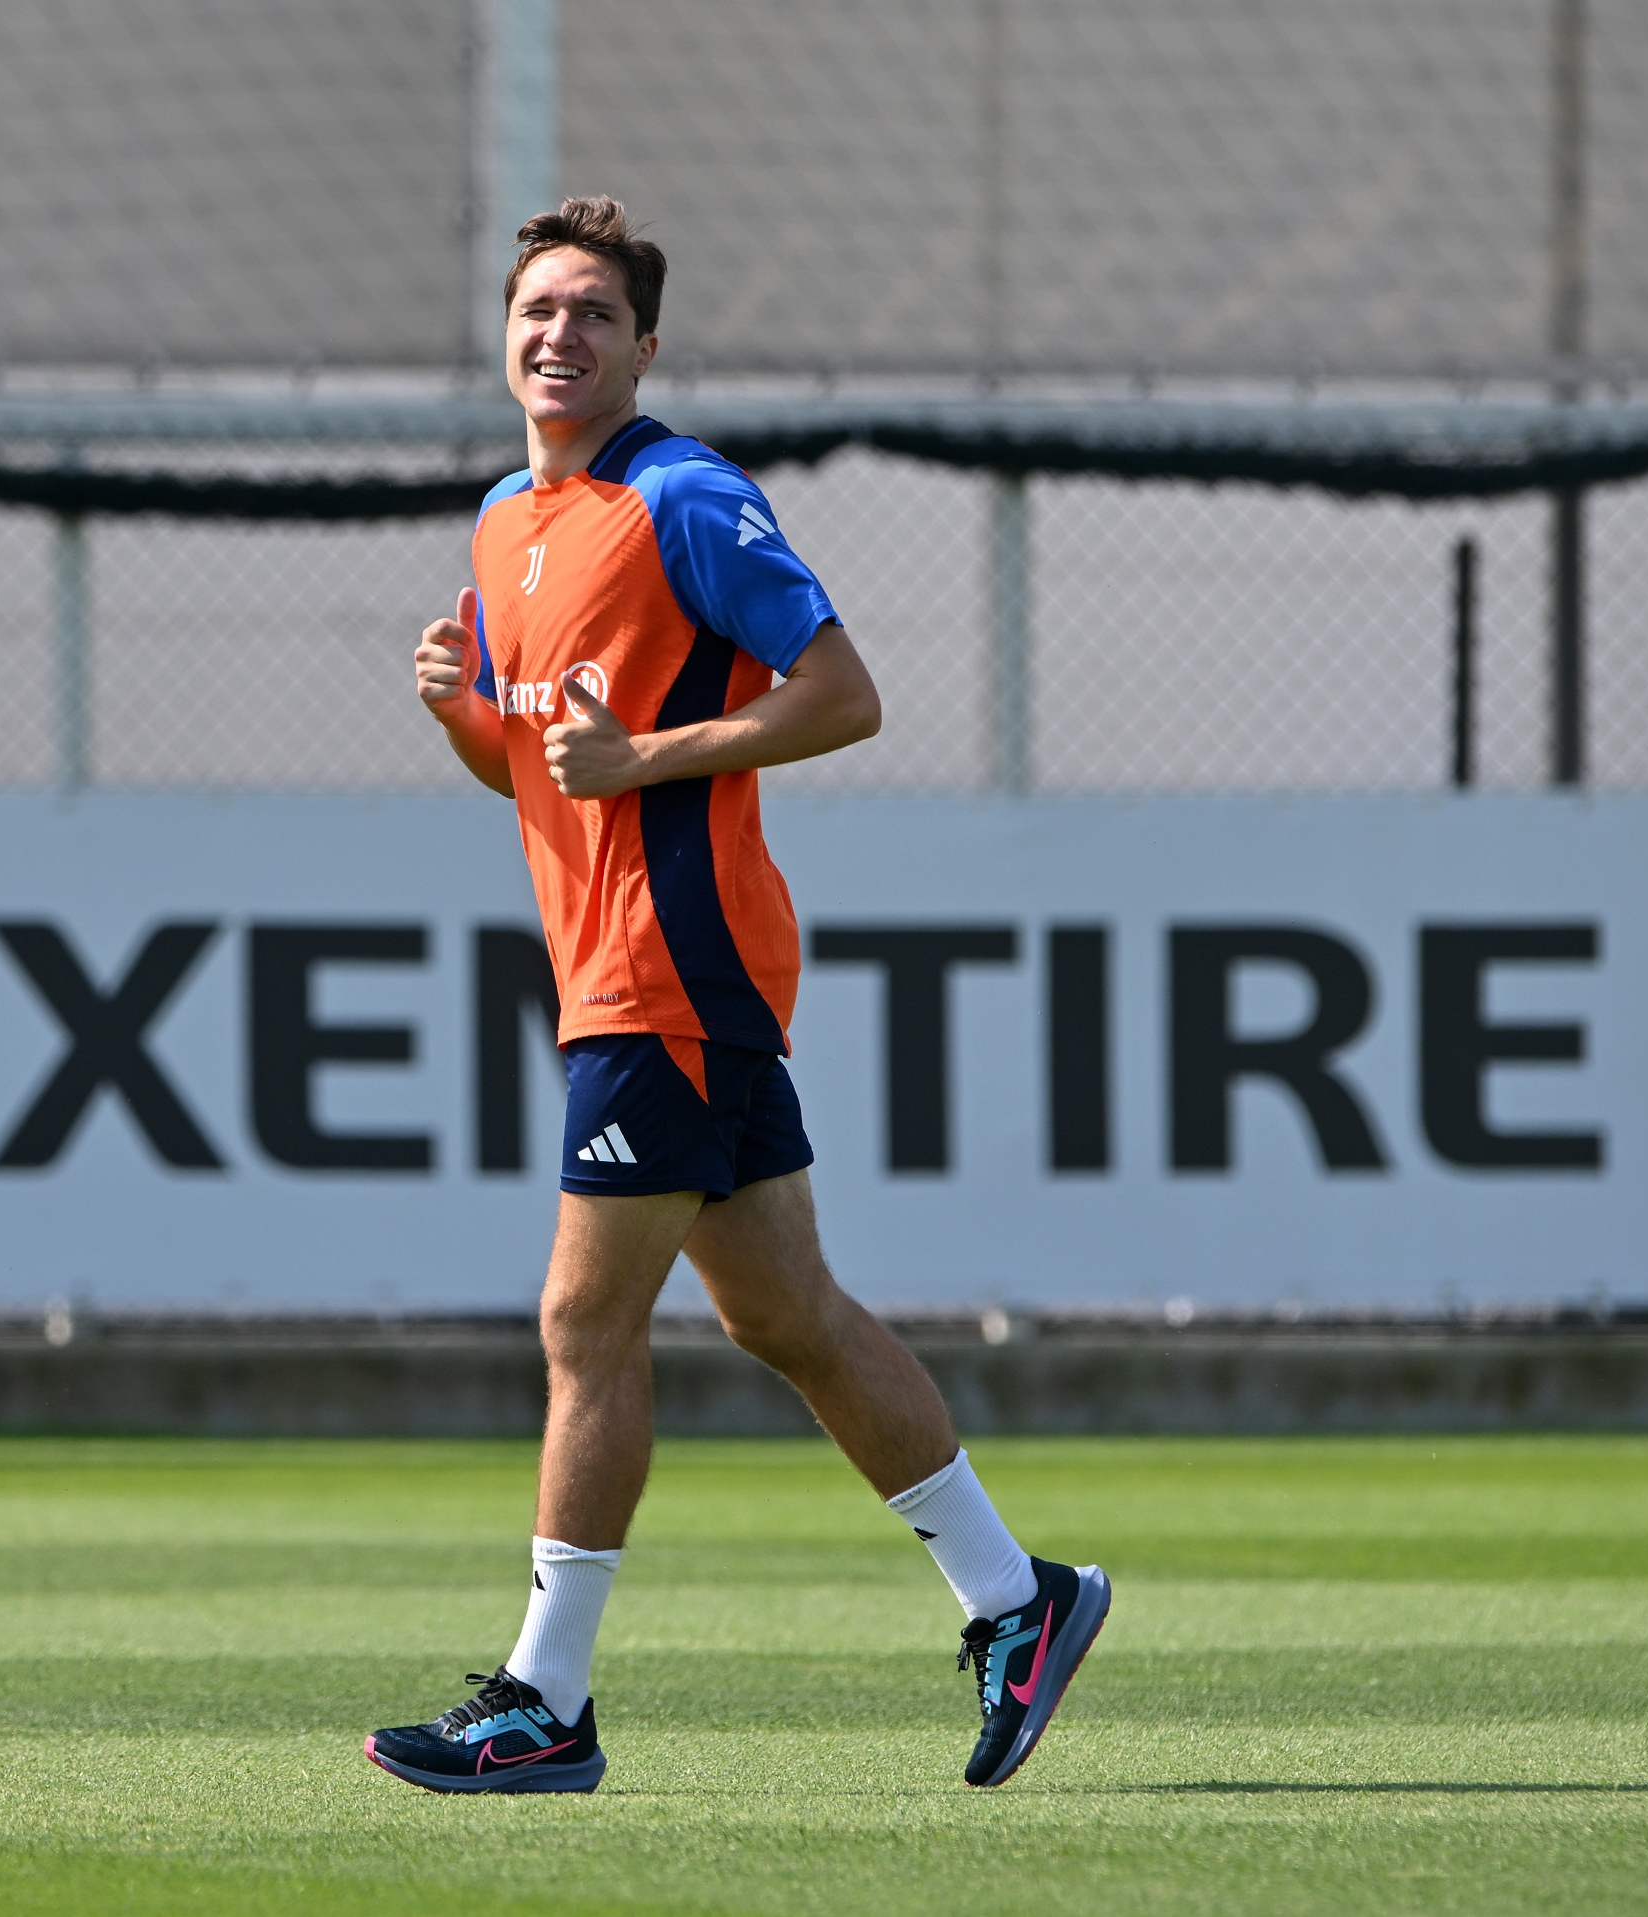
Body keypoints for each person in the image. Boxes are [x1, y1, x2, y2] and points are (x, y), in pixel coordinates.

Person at [363, 197, 1107, 1796]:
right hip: (619, 970)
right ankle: (1017, 1597)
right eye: (535, 311)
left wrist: (648, 756)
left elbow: (841, 694)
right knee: (786, 1316)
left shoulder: (684, 497)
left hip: (673, 966)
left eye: (591, 314)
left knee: (583, 1318)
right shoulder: (503, 521)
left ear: (645, 345)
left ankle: (545, 1700)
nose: (556, 335)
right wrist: (458, 715)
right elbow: (540, 777)